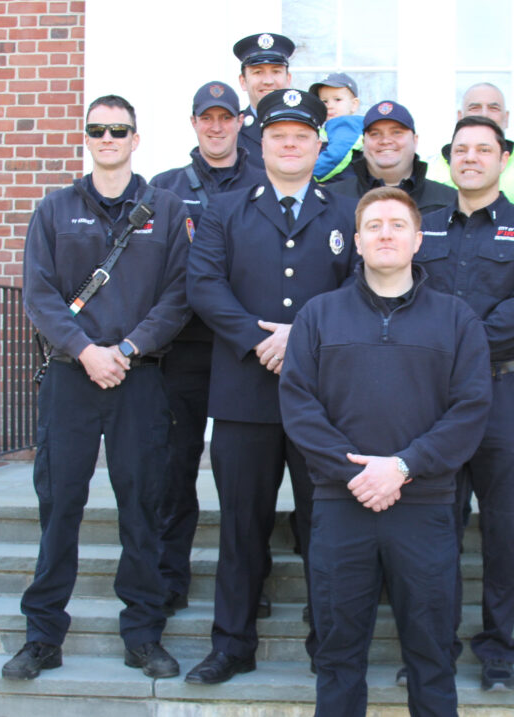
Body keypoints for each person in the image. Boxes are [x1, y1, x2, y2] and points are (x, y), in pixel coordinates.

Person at [279, 186, 492, 717]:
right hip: (339, 506)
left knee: (432, 656)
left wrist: (402, 466)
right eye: (374, 226)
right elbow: (300, 406)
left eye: (398, 225)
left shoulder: (456, 319)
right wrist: (355, 473)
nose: (386, 234)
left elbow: (470, 409)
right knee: (338, 656)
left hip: (425, 508)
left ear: (419, 240)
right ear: (356, 241)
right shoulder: (318, 316)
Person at [5, 94, 190, 681]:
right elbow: (38, 294)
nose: (108, 138)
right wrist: (86, 351)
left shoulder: (167, 207)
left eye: (120, 130)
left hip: (140, 379)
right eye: (98, 129)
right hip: (71, 378)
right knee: (60, 507)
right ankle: (42, 637)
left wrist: (126, 350)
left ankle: (141, 634)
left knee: (142, 509)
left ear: (137, 139)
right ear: (86, 138)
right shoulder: (55, 209)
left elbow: (179, 296)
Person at [184, 88, 358, 684]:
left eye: (302, 135)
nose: (290, 144)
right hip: (243, 395)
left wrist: (300, 339)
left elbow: (360, 290)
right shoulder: (226, 208)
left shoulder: (346, 212)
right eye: (279, 135)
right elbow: (203, 284)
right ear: (264, 142)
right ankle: (232, 645)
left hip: (321, 400)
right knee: (240, 526)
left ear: (318, 145)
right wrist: (260, 339)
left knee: (325, 528)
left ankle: (327, 644)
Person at [416, 116, 514, 691]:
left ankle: (498, 651)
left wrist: (455, 342)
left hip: (503, 393)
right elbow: (405, 294)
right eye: (461, 150)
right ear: (449, 159)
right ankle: (434, 648)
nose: (471, 158)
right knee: (434, 528)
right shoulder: (421, 228)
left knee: (505, 528)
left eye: (484, 149)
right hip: (432, 399)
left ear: (504, 160)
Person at [149, 81, 265, 617]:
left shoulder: (266, 183)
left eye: (225, 117)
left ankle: (250, 583)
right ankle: (170, 576)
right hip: (184, 350)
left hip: (245, 347)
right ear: (193, 123)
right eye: (206, 118)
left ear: (241, 120)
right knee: (175, 467)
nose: (216, 127)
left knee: (248, 473)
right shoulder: (165, 187)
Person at [426, 82, 514, 213]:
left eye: (493, 108)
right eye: (475, 107)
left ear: (506, 118)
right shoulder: (427, 172)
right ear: (459, 117)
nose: (484, 114)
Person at [324, 100, 456, 213]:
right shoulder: (331, 199)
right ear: (364, 143)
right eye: (375, 134)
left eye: (397, 132)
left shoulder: (449, 201)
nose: (386, 140)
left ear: (415, 141)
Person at [233, 32, 295, 171]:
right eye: (258, 72)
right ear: (243, 81)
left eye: (276, 71)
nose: (268, 81)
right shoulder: (231, 133)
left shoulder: (309, 130)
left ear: (288, 79)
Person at [309, 72, 364, 182]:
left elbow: (336, 155)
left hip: (343, 186)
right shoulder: (328, 127)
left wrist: (309, 175)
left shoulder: (345, 124)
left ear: (354, 105)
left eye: (337, 100)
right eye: (324, 101)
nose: (330, 106)